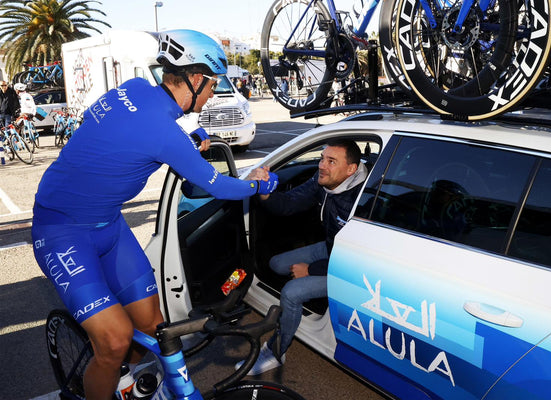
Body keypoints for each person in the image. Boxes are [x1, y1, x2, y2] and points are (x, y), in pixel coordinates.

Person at [31, 29, 278, 400]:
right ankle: (102, 377)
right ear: (196, 79)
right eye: (212, 85)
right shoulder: (165, 134)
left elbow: (132, 127)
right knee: (114, 342)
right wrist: (260, 184)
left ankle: (121, 377)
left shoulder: (130, 88)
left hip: (108, 225)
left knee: (153, 327)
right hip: (61, 231)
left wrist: (191, 134)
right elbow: (220, 187)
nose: (212, 94)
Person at [238, 138, 368, 375]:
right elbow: (288, 203)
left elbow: (360, 261)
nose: (321, 165)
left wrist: (312, 270)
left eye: (331, 161)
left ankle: (277, 351)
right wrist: (266, 190)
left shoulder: (363, 202)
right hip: (332, 248)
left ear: (351, 169)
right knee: (276, 264)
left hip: (353, 267)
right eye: (321, 158)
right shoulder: (325, 182)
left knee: (291, 292)